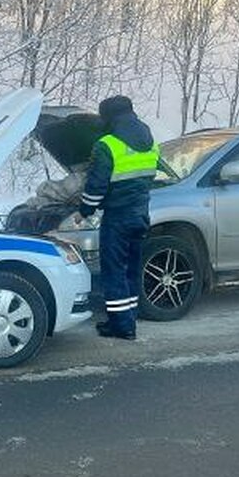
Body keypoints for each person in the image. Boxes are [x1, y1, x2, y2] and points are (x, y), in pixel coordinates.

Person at [78, 95, 159, 340]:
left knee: (114, 271)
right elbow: (148, 177)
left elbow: (96, 187)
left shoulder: (108, 144)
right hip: (141, 214)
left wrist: (85, 210)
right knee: (131, 270)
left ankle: (121, 327)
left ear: (109, 117)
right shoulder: (149, 141)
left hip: (117, 218)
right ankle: (129, 318)